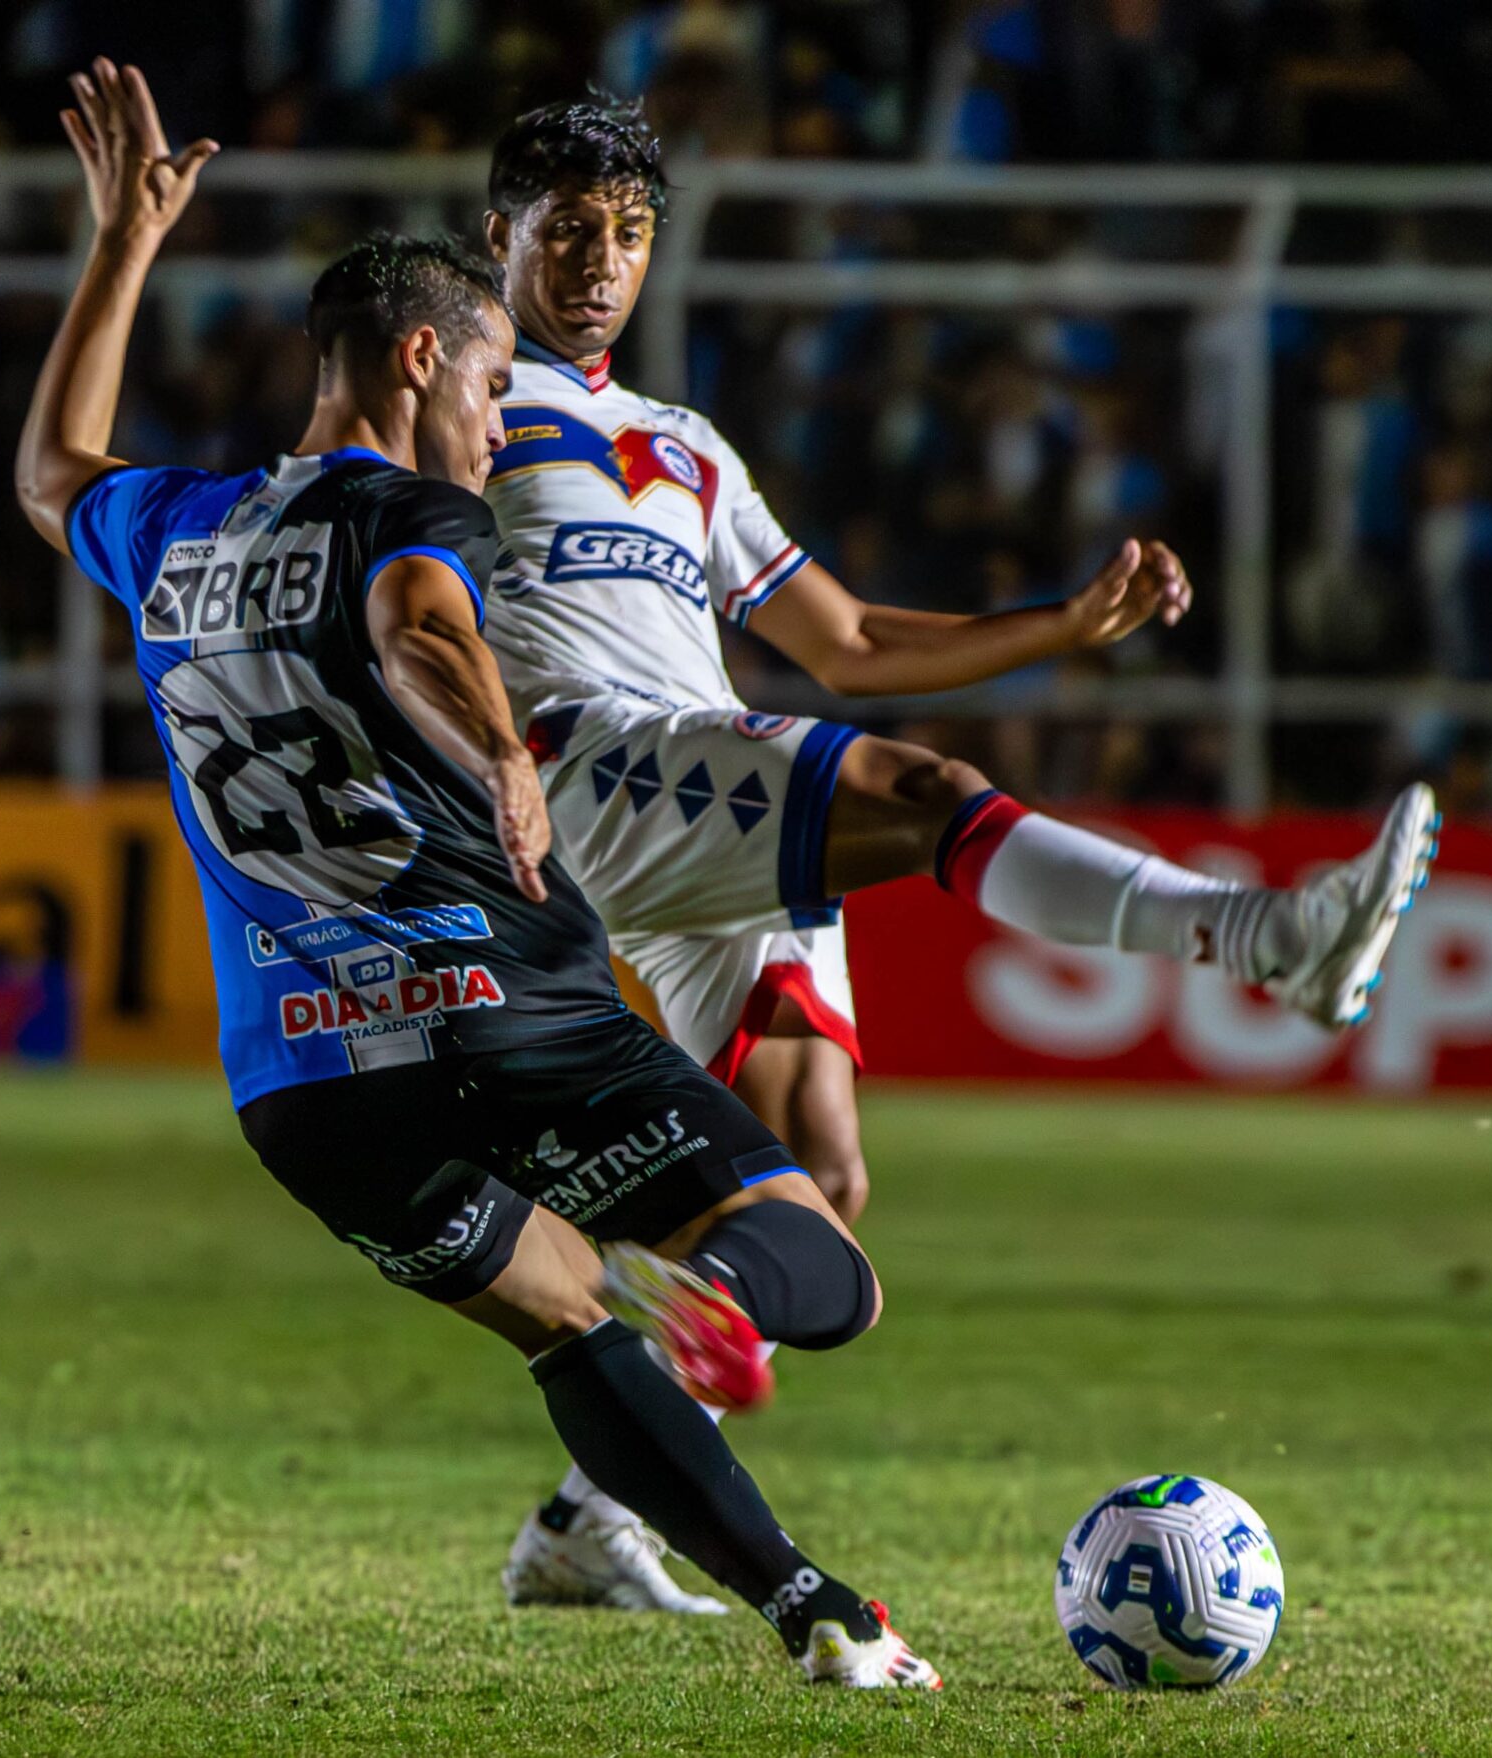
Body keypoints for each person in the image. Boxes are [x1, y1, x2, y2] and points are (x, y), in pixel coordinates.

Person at [14, 59, 941, 1689]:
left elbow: (49, 473)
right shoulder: (417, 508)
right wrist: (504, 748)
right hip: (501, 1007)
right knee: (825, 1261)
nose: (501, 414)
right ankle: (705, 1304)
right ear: (428, 354)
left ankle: (821, 1615)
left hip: (302, 1083)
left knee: (570, 1321)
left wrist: (121, 245)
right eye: (495, 375)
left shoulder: (176, 526)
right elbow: (418, 622)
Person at [474, 97, 1439, 1611]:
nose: (603, 260)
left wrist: (1063, 624)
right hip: (584, 768)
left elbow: (847, 638)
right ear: (502, 237)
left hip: (696, 791)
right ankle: (1270, 940)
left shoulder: (686, 447)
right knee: (925, 794)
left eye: (631, 231)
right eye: (572, 228)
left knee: (819, 1175)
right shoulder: (453, 403)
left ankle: (592, 1514)